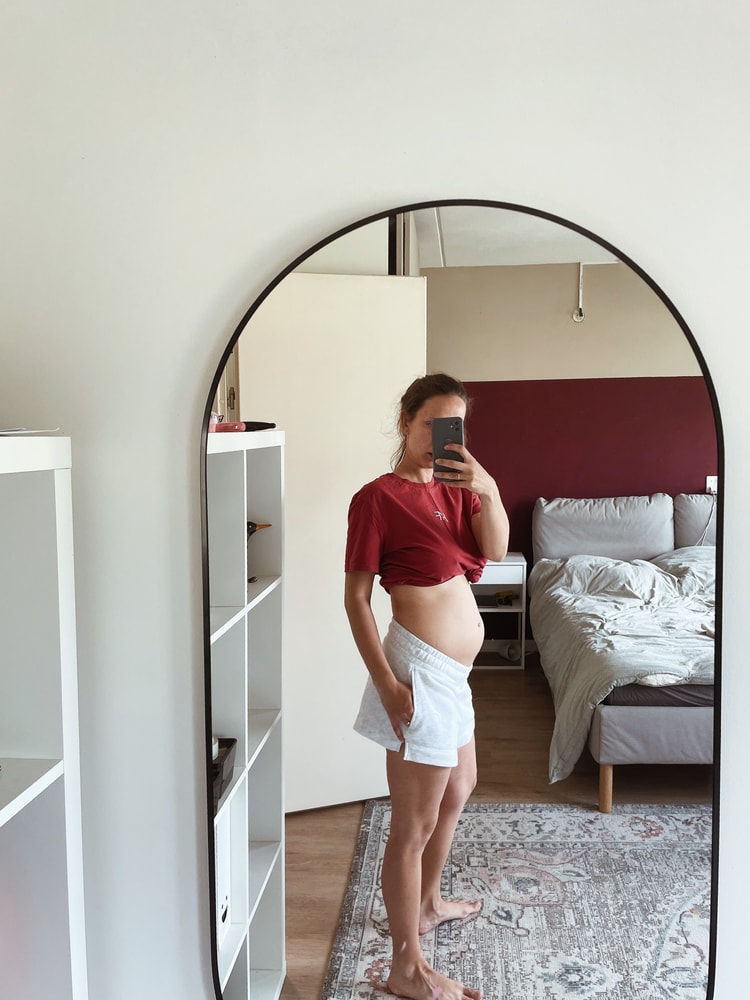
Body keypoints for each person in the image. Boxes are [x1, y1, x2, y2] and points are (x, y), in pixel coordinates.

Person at [344, 373, 509, 1000]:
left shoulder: (460, 490)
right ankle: (405, 967)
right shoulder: (376, 499)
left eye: (452, 426)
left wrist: (488, 488)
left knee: (460, 787)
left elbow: (496, 549)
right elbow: (356, 599)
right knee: (412, 825)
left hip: (454, 677)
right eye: (429, 425)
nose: (439, 437)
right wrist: (387, 685)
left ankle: (429, 904)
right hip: (418, 670)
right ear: (405, 423)